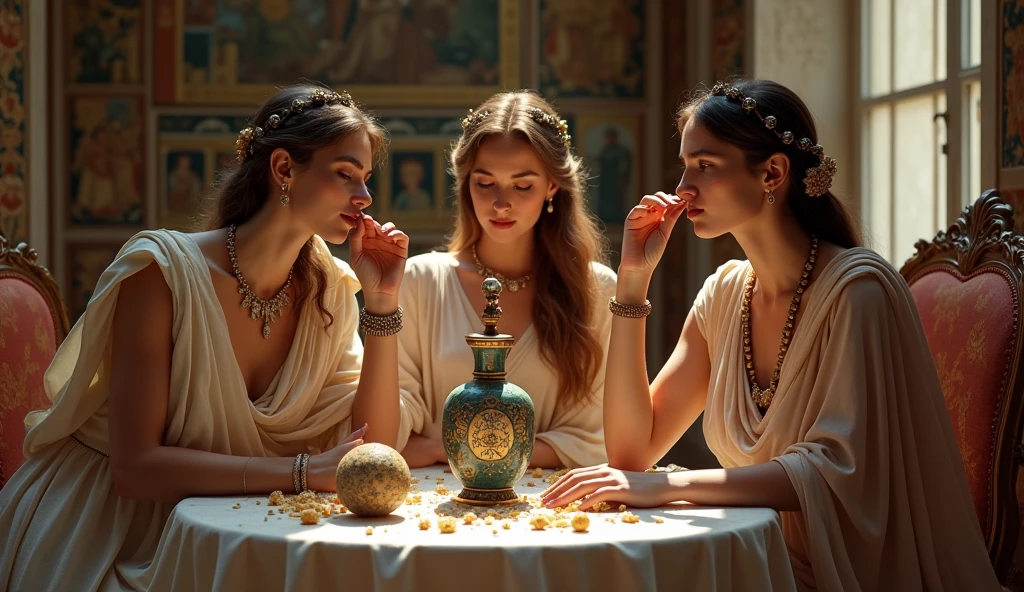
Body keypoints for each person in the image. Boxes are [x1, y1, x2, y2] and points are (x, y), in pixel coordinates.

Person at [542, 79, 1000, 590]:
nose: (682, 188)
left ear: (772, 173)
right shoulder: (724, 295)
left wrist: (668, 487)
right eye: (685, 165)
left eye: (706, 166)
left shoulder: (858, 291)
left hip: (842, 573)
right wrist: (632, 281)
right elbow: (633, 453)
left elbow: (834, 469)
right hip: (755, 557)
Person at [0, 84, 411, 591]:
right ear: (283, 169)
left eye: (366, 179)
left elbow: (375, 448)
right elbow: (136, 470)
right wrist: (300, 472)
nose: (365, 197)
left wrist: (382, 302)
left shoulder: (326, 286)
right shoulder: (162, 273)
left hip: (237, 523)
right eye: (345, 174)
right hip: (107, 530)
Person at [396, 91, 617, 469]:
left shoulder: (598, 290)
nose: (501, 203)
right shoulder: (419, 281)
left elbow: (596, 440)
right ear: (466, 183)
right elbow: (387, 436)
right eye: (485, 183)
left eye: (522, 185)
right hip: (434, 508)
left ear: (552, 186)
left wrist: (442, 446)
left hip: (553, 507)